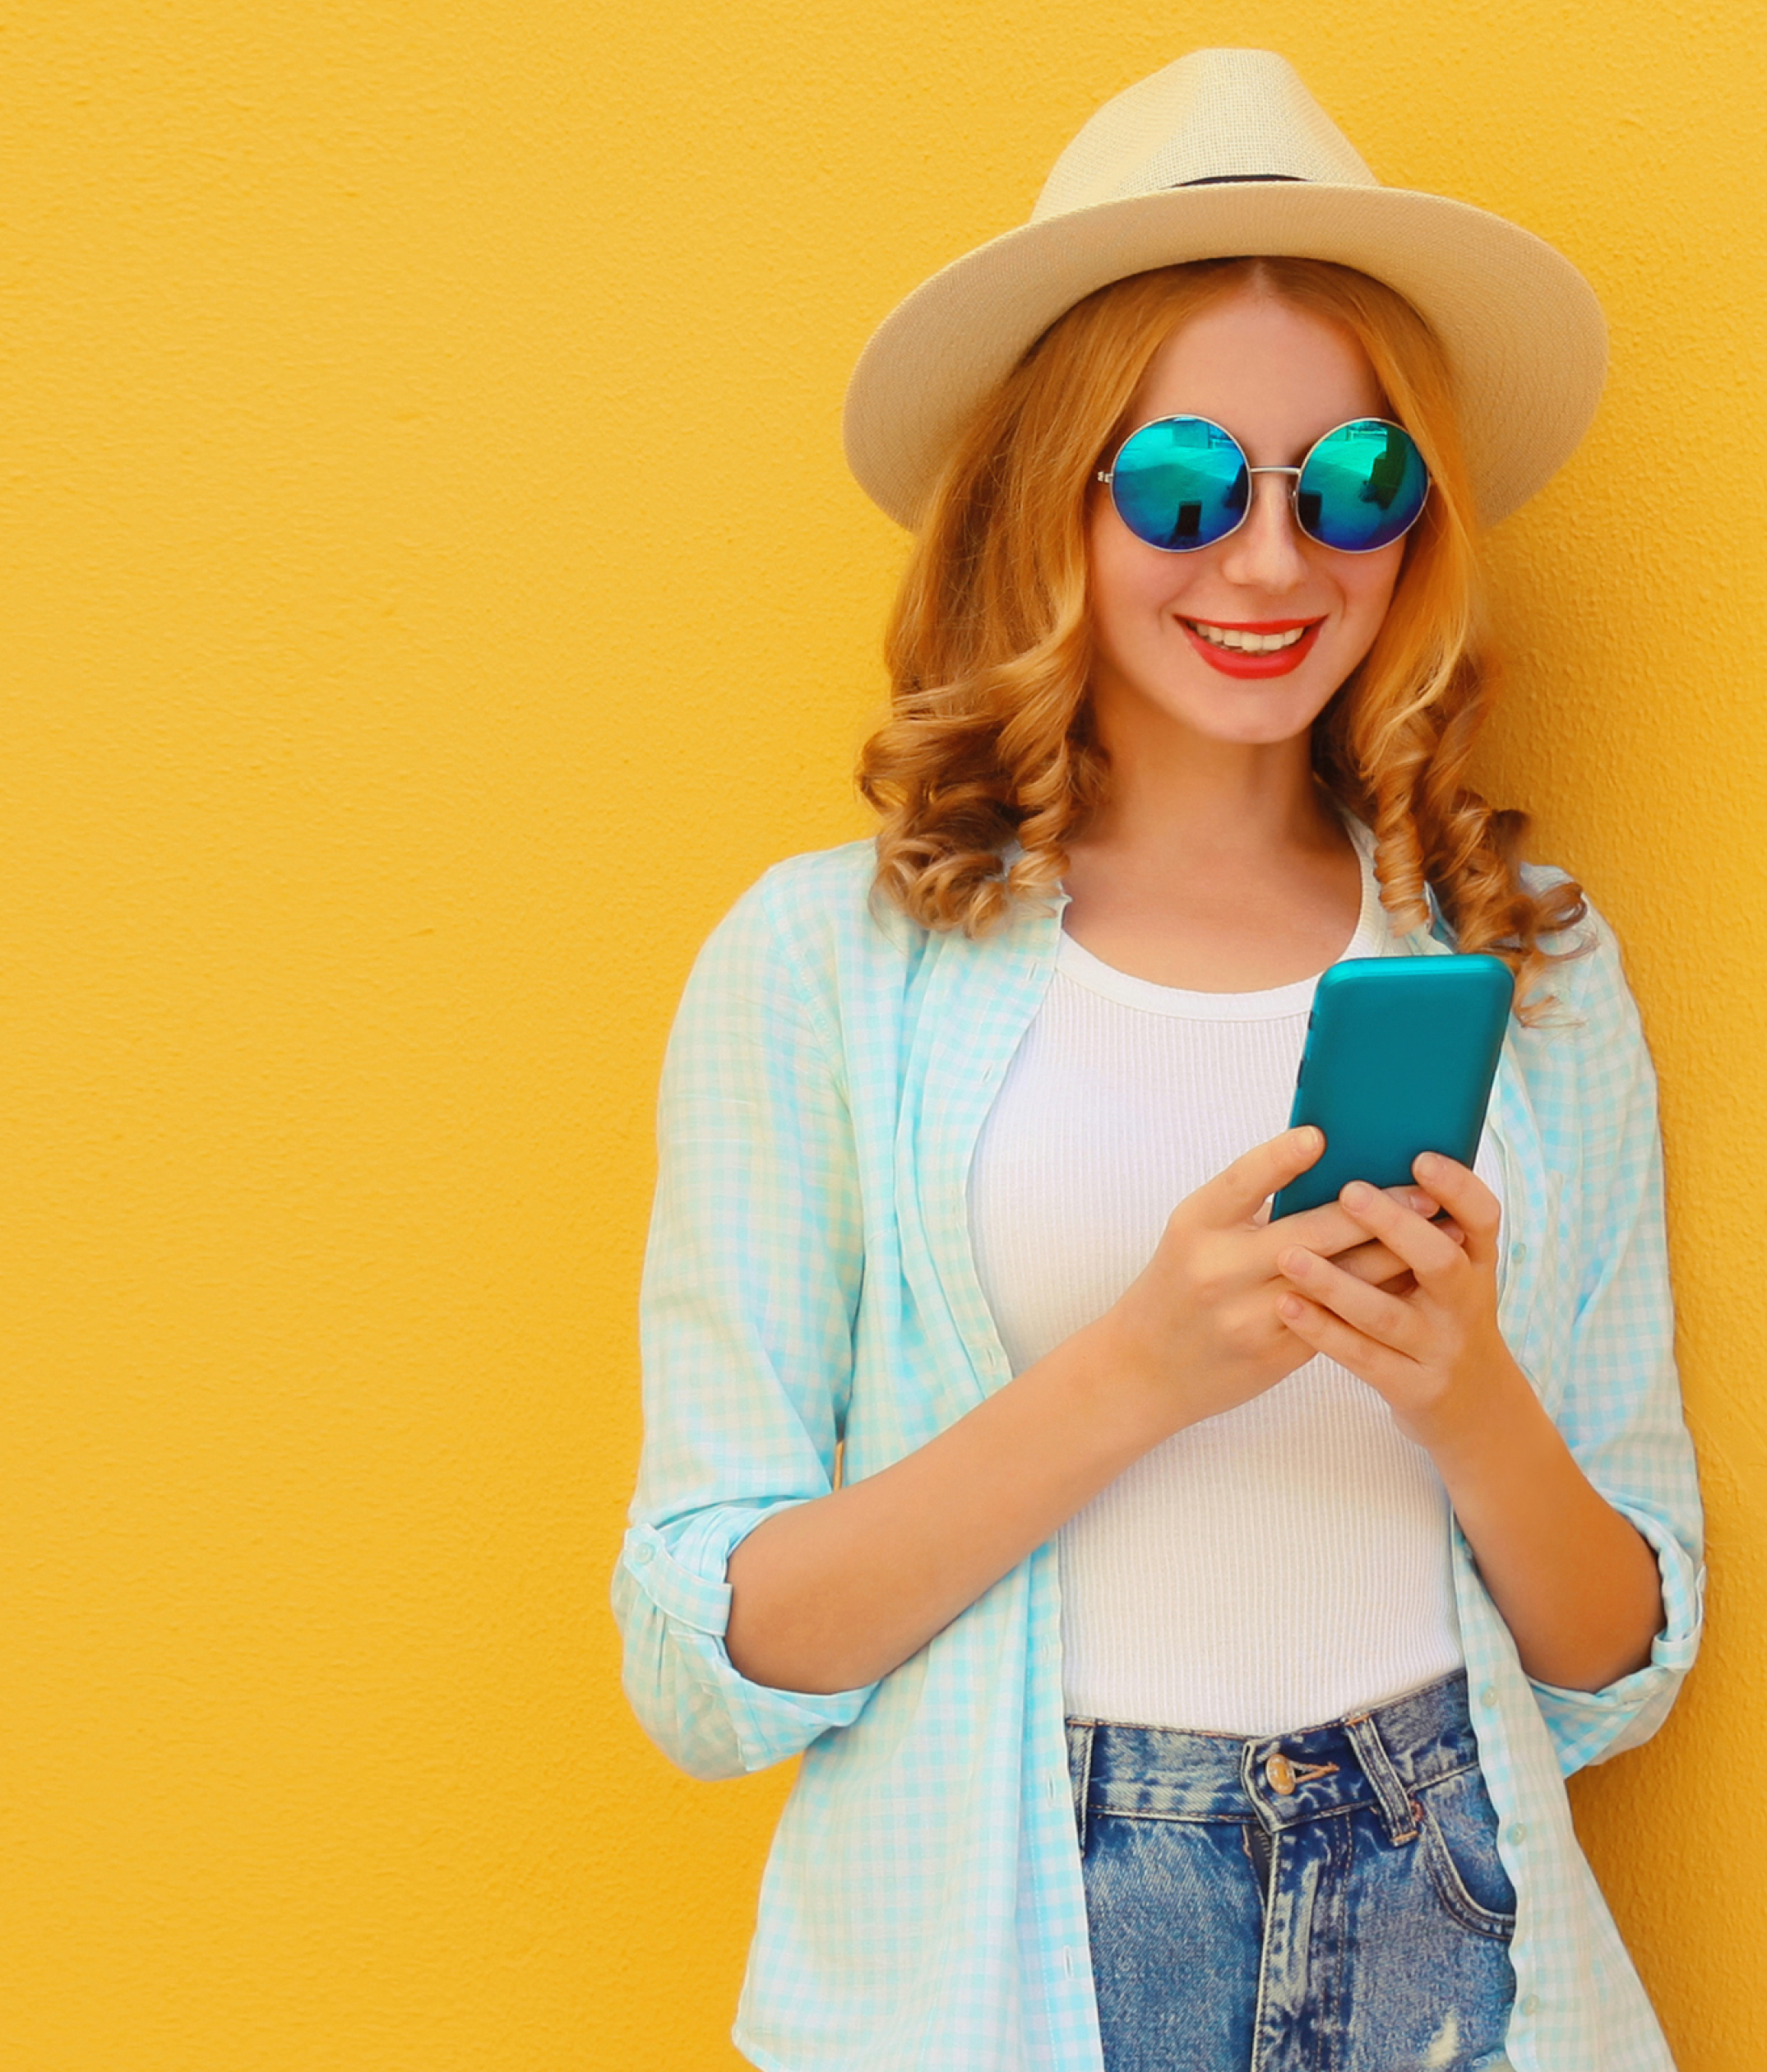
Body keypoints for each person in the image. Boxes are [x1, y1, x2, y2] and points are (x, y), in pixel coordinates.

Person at [615, 49, 1705, 2072]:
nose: (1278, 564)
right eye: (1188, 486)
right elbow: (713, 1661)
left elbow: (1621, 1656)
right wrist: (1139, 1372)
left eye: (1357, 484)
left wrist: (1463, 1396)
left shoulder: (1525, 961)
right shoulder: (820, 966)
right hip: (1005, 1943)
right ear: (1053, 502)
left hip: (1443, 1901)